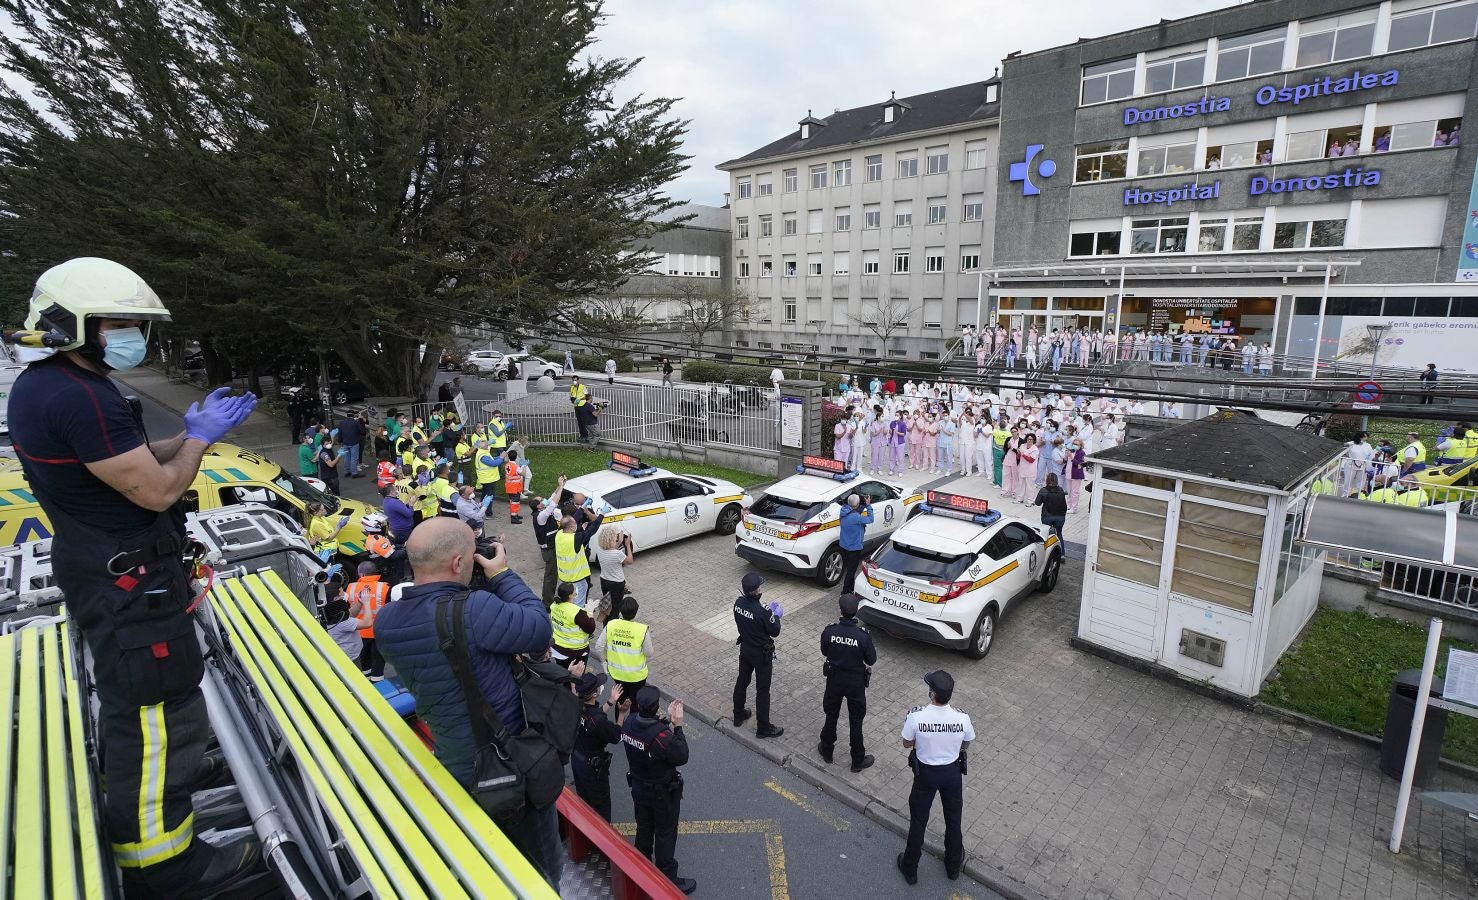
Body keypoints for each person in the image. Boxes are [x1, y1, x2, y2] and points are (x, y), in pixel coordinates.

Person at [7, 257, 263, 894]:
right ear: (78, 325)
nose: (134, 338)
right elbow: (156, 491)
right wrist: (199, 443)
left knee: (158, 694)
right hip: (128, 582)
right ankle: (163, 863)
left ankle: (175, 772)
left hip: (113, 571)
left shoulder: (53, 386)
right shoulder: (79, 396)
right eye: (121, 325)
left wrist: (191, 433)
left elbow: (131, 461)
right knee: (149, 704)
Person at [374, 519, 561, 887]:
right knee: (542, 871)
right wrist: (502, 574)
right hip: (511, 769)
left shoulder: (387, 623)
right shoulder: (475, 610)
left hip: (454, 768)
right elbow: (539, 627)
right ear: (459, 563)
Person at [898, 670, 975, 885]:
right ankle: (953, 867)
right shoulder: (962, 718)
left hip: (926, 775)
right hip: (951, 774)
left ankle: (910, 868)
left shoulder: (916, 716)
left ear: (932, 694)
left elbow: (906, 743)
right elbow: (966, 744)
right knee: (953, 820)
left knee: (919, 821)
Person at [622, 686, 696, 894]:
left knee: (643, 827)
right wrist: (678, 726)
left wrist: (665, 721)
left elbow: (645, 728)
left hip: (639, 787)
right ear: (655, 708)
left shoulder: (629, 722)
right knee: (665, 834)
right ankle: (667, 878)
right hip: (662, 795)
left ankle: (640, 868)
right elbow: (681, 755)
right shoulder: (662, 738)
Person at [818, 593, 877, 773]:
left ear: (840, 610)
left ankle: (827, 751)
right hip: (855, 683)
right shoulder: (863, 636)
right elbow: (871, 660)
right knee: (856, 721)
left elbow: (824, 650)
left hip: (834, 679)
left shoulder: (830, 631)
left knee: (831, 715)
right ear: (856, 612)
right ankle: (857, 761)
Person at [732, 572, 784, 738]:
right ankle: (763, 728)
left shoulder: (738, 603)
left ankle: (738, 714)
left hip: (745, 649)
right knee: (763, 691)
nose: (762, 588)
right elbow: (774, 631)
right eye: (760, 586)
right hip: (761, 655)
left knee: (742, 681)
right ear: (755, 591)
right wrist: (775, 616)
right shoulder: (762, 612)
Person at [572, 671, 627, 822]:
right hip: (592, 769)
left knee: (584, 802)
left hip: (577, 760)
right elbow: (616, 736)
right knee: (601, 809)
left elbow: (594, 715)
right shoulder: (598, 722)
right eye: (598, 686)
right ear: (595, 694)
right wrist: (621, 714)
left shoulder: (577, 705)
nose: (600, 687)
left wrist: (611, 701)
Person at [346, 561, 390, 680]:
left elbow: (347, 609)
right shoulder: (385, 587)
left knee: (363, 658)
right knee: (378, 659)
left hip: (359, 631)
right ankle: (378, 682)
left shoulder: (351, 587)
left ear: (361, 574)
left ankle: (366, 677)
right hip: (378, 631)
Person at [605, 595, 653, 701]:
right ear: (635, 612)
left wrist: (605, 662)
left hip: (616, 673)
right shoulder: (642, 629)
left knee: (620, 701)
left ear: (621, 611)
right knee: (636, 703)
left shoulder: (611, 624)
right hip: (637, 676)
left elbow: (599, 646)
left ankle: (619, 717)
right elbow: (649, 653)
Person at [555, 504, 605, 605]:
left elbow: (572, 519)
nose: (576, 524)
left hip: (564, 576)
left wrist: (582, 507)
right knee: (579, 601)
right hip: (575, 578)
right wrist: (602, 514)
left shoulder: (559, 533)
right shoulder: (575, 539)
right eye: (574, 524)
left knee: (570, 597)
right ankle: (579, 615)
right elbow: (593, 529)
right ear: (571, 527)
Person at [549, 581, 598, 669]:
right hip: (575, 652)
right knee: (576, 678)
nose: (576, 591)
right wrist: (590, 612)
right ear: (570, 595)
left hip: (557, 648)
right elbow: (591, 628)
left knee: (562, 676)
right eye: (575, 590)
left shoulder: (553, 605)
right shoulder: (577, 612)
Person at [838, 494, 873, 596]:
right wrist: (868, 505)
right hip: (854, 548)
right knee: (851, 571)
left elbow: (853, 510)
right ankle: (845, 592)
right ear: (857, 504)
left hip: (844, 545)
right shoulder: (856, 517)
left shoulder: (843, 512)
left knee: (848, 568)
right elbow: (871, 519)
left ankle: (850, 588)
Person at [596, 527, 635, 610]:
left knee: (607, 605)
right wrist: (627, 545)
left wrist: (620, 542)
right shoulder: (617, 554)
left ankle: (607, 621)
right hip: (617, 583)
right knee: (616, 606)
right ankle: (613, 620)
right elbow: (630, 561)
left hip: (604, 581)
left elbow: (610, 550)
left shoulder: (599, 550)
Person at [324, 593, 364, 661]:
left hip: (349, 654)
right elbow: (368, 623)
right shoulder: (343, 622)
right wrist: (367, 603)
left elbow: (350, 613)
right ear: (335, 599)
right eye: (341, 595)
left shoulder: (333, 615)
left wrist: (360, 603)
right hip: (351, 657)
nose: (344, 595)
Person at [1034, 473, 1069, 542]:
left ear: (1047, 480)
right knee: (1059, 534)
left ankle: (1047, 551)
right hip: (1060, 516)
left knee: (1046, 535)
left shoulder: (1043, 490)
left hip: (1047, 516)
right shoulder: (1061, 490)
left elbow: (1037, 503)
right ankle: (1061, 552)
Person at [503, 448, 530, 523]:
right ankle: (514, 517)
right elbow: (523, 473)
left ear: (508, 457)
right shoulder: (516, 467)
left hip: (509, 486)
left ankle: (515, 514)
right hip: (515, 487)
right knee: (515, 502)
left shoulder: (507, 465)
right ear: (516, 457)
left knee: (513, 501)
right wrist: (524, 465)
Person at [338, 411, 366, 478]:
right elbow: (363, 431)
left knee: (346, 457)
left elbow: (340, 433)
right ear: (353, 416)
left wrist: (340, 440)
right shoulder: (355, 423)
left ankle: (347, 472)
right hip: (354, 442)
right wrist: (361, 421)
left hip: (345, 442)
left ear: (346, 415)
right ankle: (354, 473)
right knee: (354, 458)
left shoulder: (342, 423)